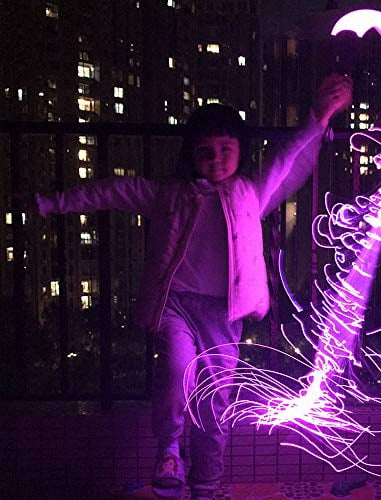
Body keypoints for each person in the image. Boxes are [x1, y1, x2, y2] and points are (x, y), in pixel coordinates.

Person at [35, 74, 352, 499]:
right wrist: (50, 203)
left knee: (215, 401)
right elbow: (112, 191)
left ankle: (206, 481)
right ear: (191, 154)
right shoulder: (170, 194)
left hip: (225, 313)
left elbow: (287, 161)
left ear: (240, 151)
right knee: (175, 371)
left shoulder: (250, 193)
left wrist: (319, 117)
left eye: (226, 149)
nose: (216, 159)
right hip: (176, 306)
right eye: (205, 151)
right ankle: (169, 450)